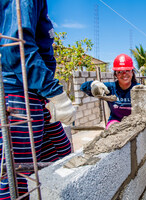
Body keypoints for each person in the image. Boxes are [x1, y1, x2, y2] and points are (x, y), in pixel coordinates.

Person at [0, 0, 76, 199]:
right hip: (18, 94)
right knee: (17, 180)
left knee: (62, 157)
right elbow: (16, 46)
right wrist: (55, 93)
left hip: (34, 94)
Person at [80, 53, 140, 129]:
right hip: (115, 121)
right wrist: (93, 84)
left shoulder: (138, 89)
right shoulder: (110, 88)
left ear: (132, 72)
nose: (124, 74)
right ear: (115, 74)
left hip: (134, 122)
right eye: (120, 72)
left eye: (127, 70)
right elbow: (83, 87)